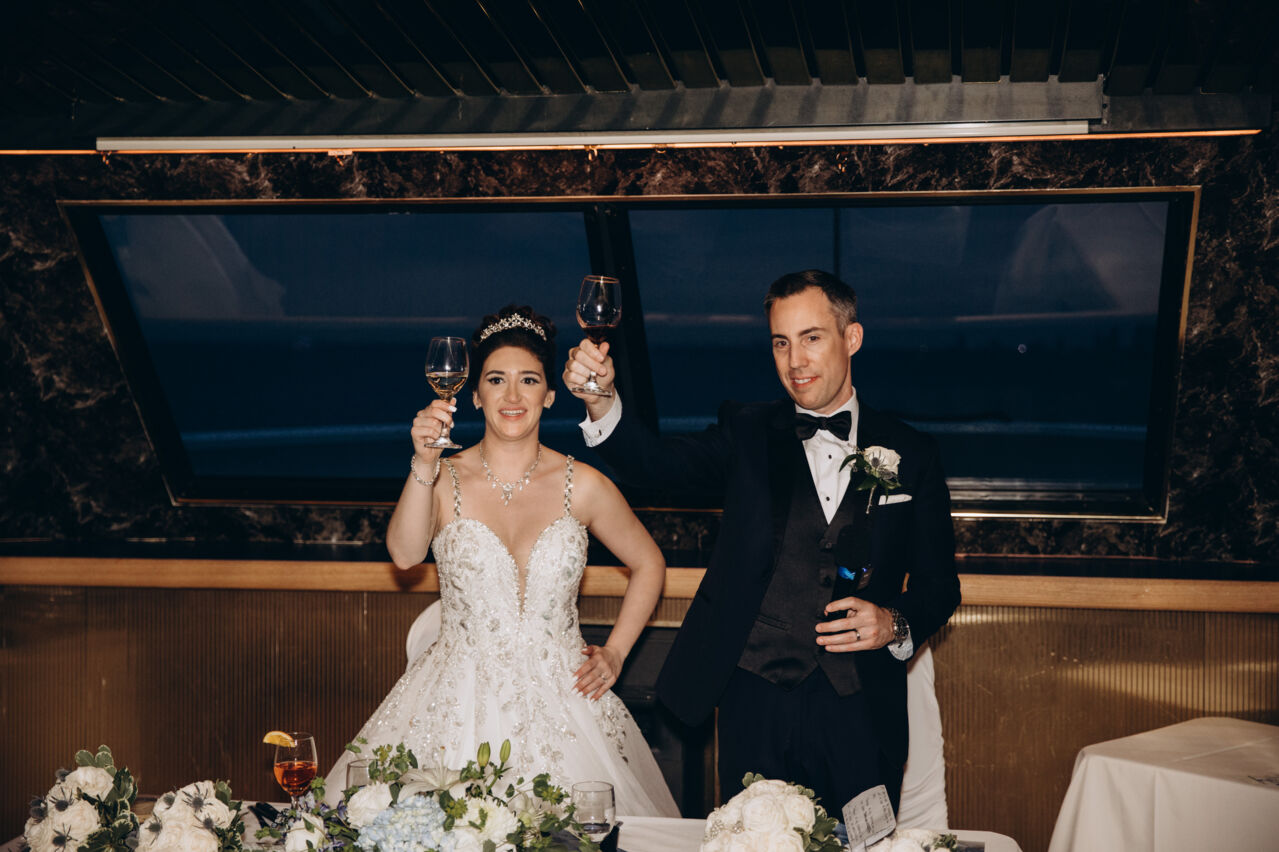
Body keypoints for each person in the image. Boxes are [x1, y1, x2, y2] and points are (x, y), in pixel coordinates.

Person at [564, 269, 961, 816]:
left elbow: (941, 586)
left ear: (852, 338)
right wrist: (602, 399)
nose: (795, 361)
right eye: (781, 342)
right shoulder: (746, 432)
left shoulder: (912, 452)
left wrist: (893, 623)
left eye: (811, 338)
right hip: (754, 701)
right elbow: (654, 464)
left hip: (862, 708)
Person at [326, 305, 679, 818]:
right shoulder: (442, 479)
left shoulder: (583, 485)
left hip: (567, 705)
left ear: (549, 394)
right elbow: (404, 554)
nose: (513, 396)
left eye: (528, 380)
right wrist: (423, 461)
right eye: (496, 380)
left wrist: (617, 653)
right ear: (475, 394)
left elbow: (649, 563)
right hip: (455, 704)